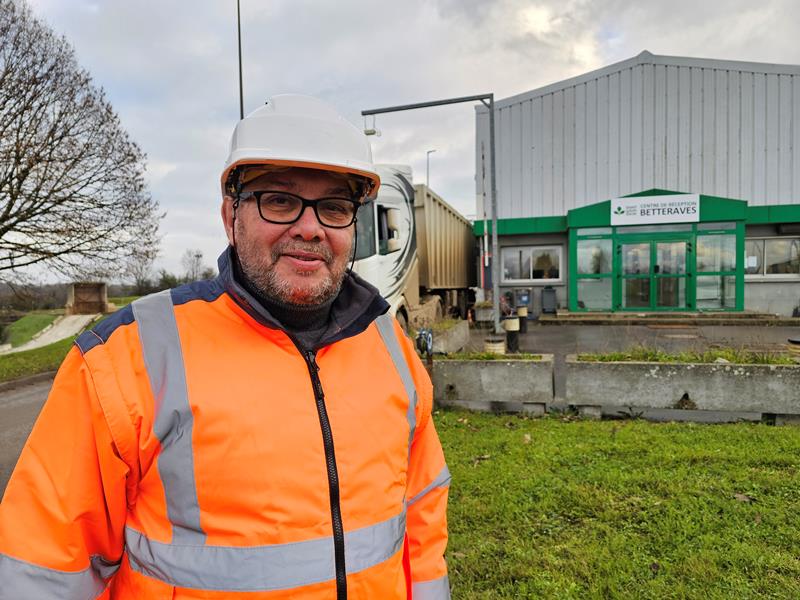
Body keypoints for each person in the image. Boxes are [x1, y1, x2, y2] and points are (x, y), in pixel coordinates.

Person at [0, 94, 451, 599]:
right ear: (229, 216)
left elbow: (423, 516)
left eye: (334, 206)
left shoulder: (390, 346)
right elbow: (42, 568)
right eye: (279, 200)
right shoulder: (127, 358)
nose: (310, 227)